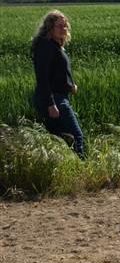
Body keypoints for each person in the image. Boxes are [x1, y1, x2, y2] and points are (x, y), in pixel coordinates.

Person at [30, 10, 85, 158]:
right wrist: (50, 104)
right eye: (59, 26)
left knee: (61, 139)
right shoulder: (46, 47)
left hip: (58, 98)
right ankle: (83, 171)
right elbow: (42, 78)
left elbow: (58, 72)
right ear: (50, 28)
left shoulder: (54, 45)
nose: (64, 29)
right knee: (77, 137)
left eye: (65, 26)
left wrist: (70, 85)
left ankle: (65, 169)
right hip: (55, 100)